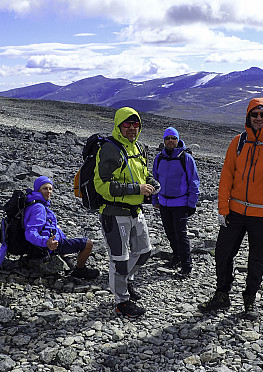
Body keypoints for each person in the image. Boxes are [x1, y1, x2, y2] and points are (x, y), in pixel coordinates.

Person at [198, 97, 263, 320]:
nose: (259, 118)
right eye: (255, 114)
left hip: (262, 214)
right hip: (235, 211)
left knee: (256, 258)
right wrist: (223, 209)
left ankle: (250, 299)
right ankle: (222, 295)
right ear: (248, 117)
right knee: (223, 253)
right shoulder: (238, 142)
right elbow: (226, 177)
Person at [94, 107, 161, 317]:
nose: (132, 128)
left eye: (135, 124)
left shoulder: (138, 147)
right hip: (115, 214)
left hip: (136, 211)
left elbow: (143, 173)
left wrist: (151, 183)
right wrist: (136, 189)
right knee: (120, 260)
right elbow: (102, 186)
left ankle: (126, 282)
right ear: (118, 125)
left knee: (144, 252)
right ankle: (121, 301)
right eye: (127, 124)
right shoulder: (110, 150)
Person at [24, 176, 100, 279]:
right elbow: (30, 232)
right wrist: (46, 242)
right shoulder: (39, 208)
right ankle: (80, 270)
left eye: (50, 189)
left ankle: (67, 261)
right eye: (45, 188)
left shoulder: (35, 203)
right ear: (38, 189)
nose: (49, 191)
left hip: (45, 245)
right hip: (45, 247)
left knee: (57, 227)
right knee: (88, 244)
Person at [152, 127, 200, 278]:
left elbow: (194, 182)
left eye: (173, 138)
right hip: (164, 203)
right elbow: (154, 180)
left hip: (180, 203)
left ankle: (187, 266)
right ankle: (177, 257)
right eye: (167, 138)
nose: (170, 141)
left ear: (178, 139)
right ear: (164, 140)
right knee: (170, 233)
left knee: (181, 235)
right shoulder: (159, 158)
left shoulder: (186, 158)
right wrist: (154, 199)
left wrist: (192, 204)